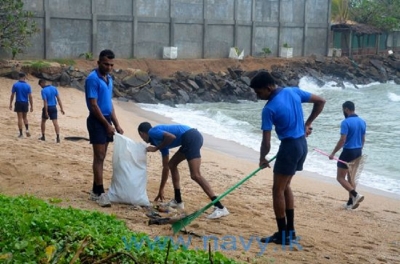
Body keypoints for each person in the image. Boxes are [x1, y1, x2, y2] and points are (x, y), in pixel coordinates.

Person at [250, 71, 325, 245]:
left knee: (277, 190)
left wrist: (262, 158)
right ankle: (289, 231)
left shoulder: (269, 109)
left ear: (268, 88)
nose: (257, 96)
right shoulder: (294, 91)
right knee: (285, 187)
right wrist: (307, 124)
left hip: (289, 148)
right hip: (301, 146)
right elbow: (321, 101)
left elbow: (266, 142)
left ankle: (282, 235)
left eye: (259, 92)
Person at [138, 122, 229, 219]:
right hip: (189, 139)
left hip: (191, 136)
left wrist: (156, 148)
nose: (142, 139)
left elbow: (171, 137)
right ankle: (178, 201)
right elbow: (166, 167)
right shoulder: (159, 142)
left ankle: (220, 207)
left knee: (195, 175)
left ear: (142, 133)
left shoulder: (153, 131)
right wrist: (161, 190)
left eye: (141, 136)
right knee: (172, 164)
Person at [85, 49, 124, 207]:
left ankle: (96, 189)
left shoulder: (109, 79)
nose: (109, 67)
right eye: (106, 64)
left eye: (111, 65)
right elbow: (94, 105)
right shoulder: (92, 79)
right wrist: (106, 125)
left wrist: (116, 123)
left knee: (102, 156)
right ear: (99, 63)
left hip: (107, 119)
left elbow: (109, 104)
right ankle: (100, 192)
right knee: (99, 156)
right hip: (97, 120)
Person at [329, 101, 366, 210]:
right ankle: (350, 203)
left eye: (343, 110)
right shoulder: (362, 122)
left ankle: (355, 195)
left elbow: (342, 140)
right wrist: (359, 150)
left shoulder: (346, 122)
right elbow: (363, 140)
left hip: (348, 152)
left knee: (340, 177)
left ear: (346, 109)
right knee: (351, 178)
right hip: (358, 151)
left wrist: (333, 153)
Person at [9, 72, 33, 138]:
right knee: (25, 117)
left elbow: (12, 95)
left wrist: (10, 103)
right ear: (24, 77)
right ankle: (27, 130)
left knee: (19, 118)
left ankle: (21, 133)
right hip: (25, 103)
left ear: (19, 77)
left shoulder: (15, 85)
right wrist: (31, 106)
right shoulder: (28, 86)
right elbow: (30, 96)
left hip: (18, 102)